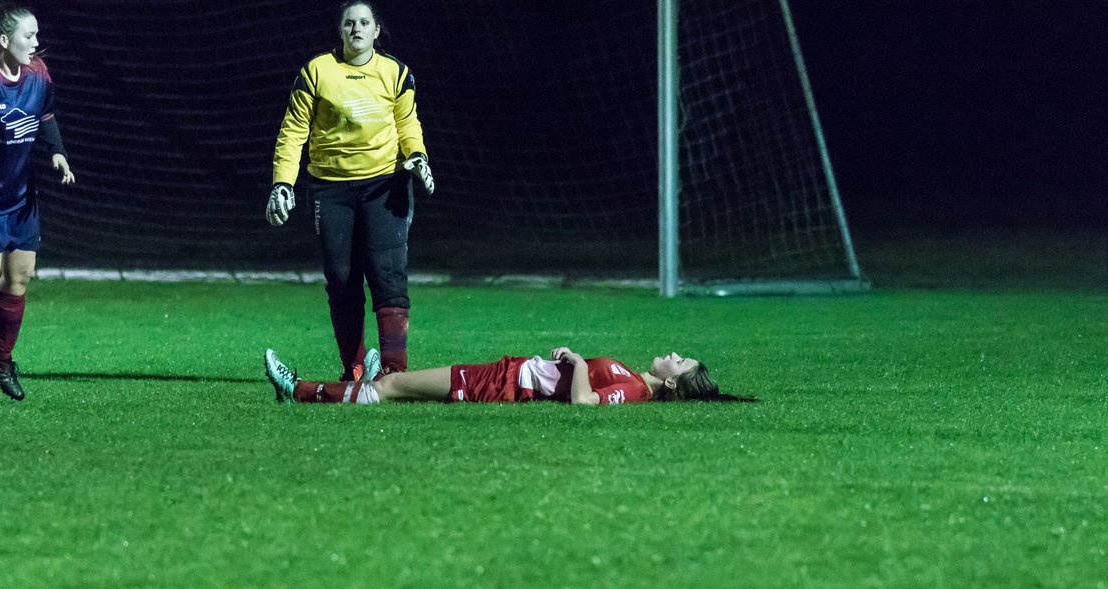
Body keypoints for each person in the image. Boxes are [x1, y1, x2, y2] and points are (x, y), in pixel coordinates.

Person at [265, 0, 433, 383]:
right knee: (341, 279)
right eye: (349, 23)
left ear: (377, 30)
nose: (356, 29)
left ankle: (394, 375)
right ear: (340, 31)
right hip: (331, 189)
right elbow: (293, 132)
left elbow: (408, 123)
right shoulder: (317, 72)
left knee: (388, 275)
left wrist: (418, 155)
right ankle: (354, 370)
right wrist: (282, 183)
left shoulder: (395, 72)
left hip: (385, 185)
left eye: (364, 22)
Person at [0, 2, 74, 409]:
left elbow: (46, 114)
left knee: (18, 281)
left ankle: (0, 361)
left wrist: (56, 151)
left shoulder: (38, 73)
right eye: (29, 36)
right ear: (4, 41)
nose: (37, 43)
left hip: (21, 196)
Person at [263, 346, 749, 405]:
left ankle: (301, 389)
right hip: (508, 372)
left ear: (671, 384)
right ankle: (363, 384)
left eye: (680, 363)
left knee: (391, 389)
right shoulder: (638, 377)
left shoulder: (636, 390)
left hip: (504, 386)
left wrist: (578, 364)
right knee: (400, 382)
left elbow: (584, 404)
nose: (674, 354)